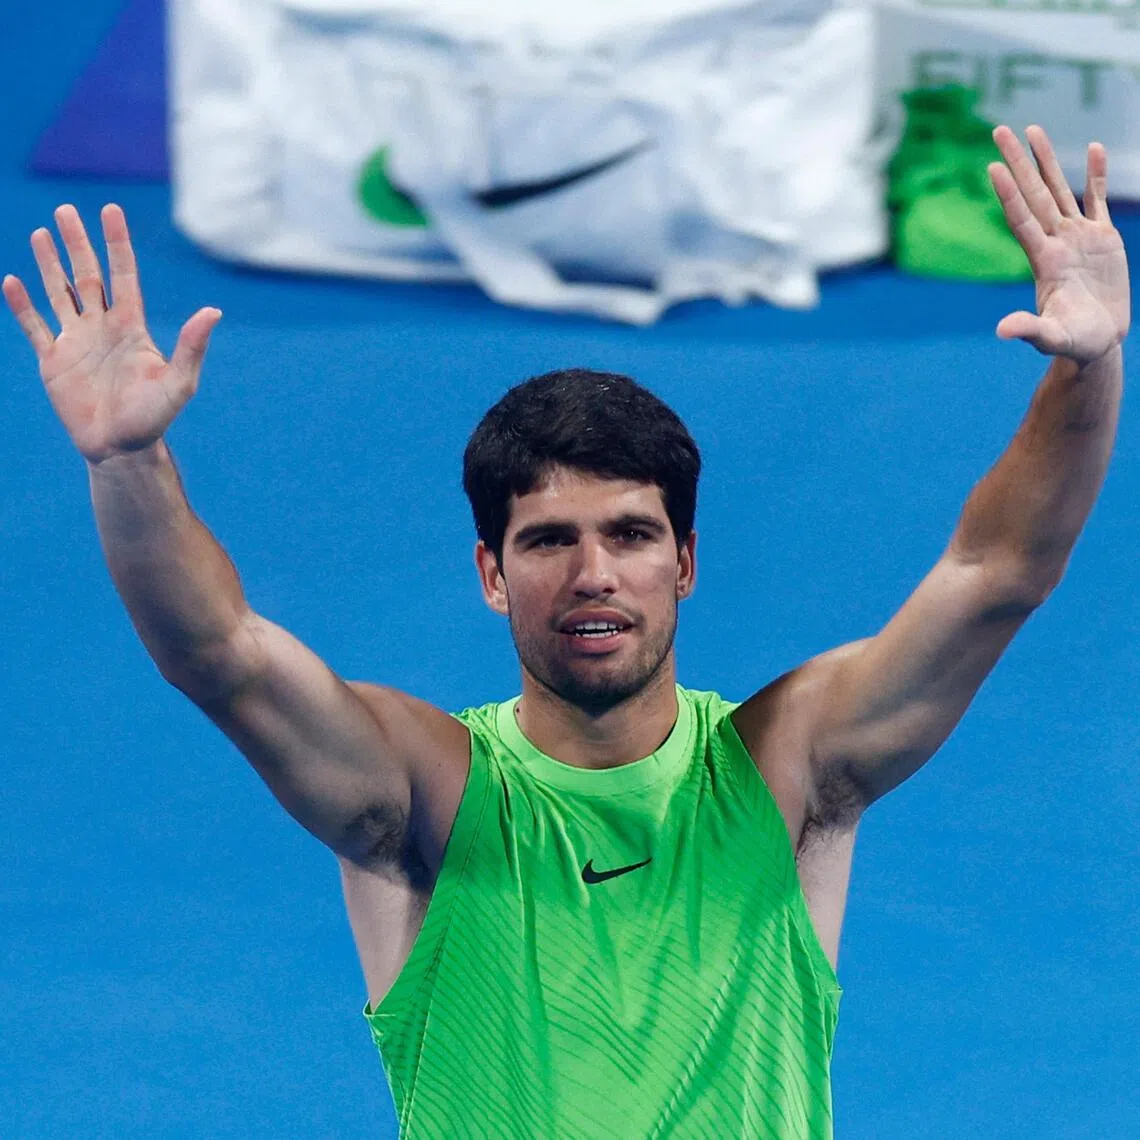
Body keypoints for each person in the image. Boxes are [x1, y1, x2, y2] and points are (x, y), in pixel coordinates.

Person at [3, 124, 1128, 1138]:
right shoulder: (426, 795)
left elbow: (997, 573)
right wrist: (128, 460)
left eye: (633, 534)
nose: (595, 574)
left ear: (683, 562)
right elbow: (220, 655)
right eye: (548, 541)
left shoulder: (787, 766)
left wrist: (1088, 367)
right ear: (492, 573)